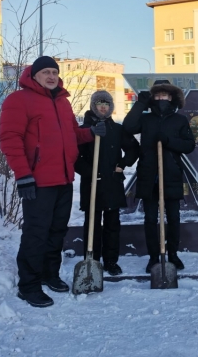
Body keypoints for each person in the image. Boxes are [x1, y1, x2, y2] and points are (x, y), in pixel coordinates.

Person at [0, 56, 103, 308]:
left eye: (54, 72)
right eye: (45, 72)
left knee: (57, 231)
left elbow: (71, 135)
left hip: (64, 179)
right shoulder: (18, 100)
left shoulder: (63, 102)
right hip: (37, 181)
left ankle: (49, 274)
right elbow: (10, 139)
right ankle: (29, 285)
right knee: (36, 233)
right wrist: (23, 174)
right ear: (33, 75)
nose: (51, 76)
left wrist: (89, 133)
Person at [123, 81, 195, 273]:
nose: (161, 99)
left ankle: (172, 255)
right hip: (149, 174)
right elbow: (128, 127)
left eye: (165, 95)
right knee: (150, 219)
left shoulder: (179, 120)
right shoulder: (146, 120)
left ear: (172, 98)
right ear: (153, 98)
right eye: (158, 95)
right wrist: (140, 104)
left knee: (173, 218)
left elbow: (189, 145)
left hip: (171, 174)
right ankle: (154, 257)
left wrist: (169, 141)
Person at [74, 91, 139, 276]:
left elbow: (134, 149)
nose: (103, 107)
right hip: (91, 184)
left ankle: (111, 261)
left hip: (112, 183)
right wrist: (89, 172)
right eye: (99, 104)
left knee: (112, 225)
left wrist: (123, 164)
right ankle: (91, 260)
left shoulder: (117, 130)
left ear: (111, 107)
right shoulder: (83, 129)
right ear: (93, 106)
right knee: (92, 223)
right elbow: (74, 157)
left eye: (107, 104)